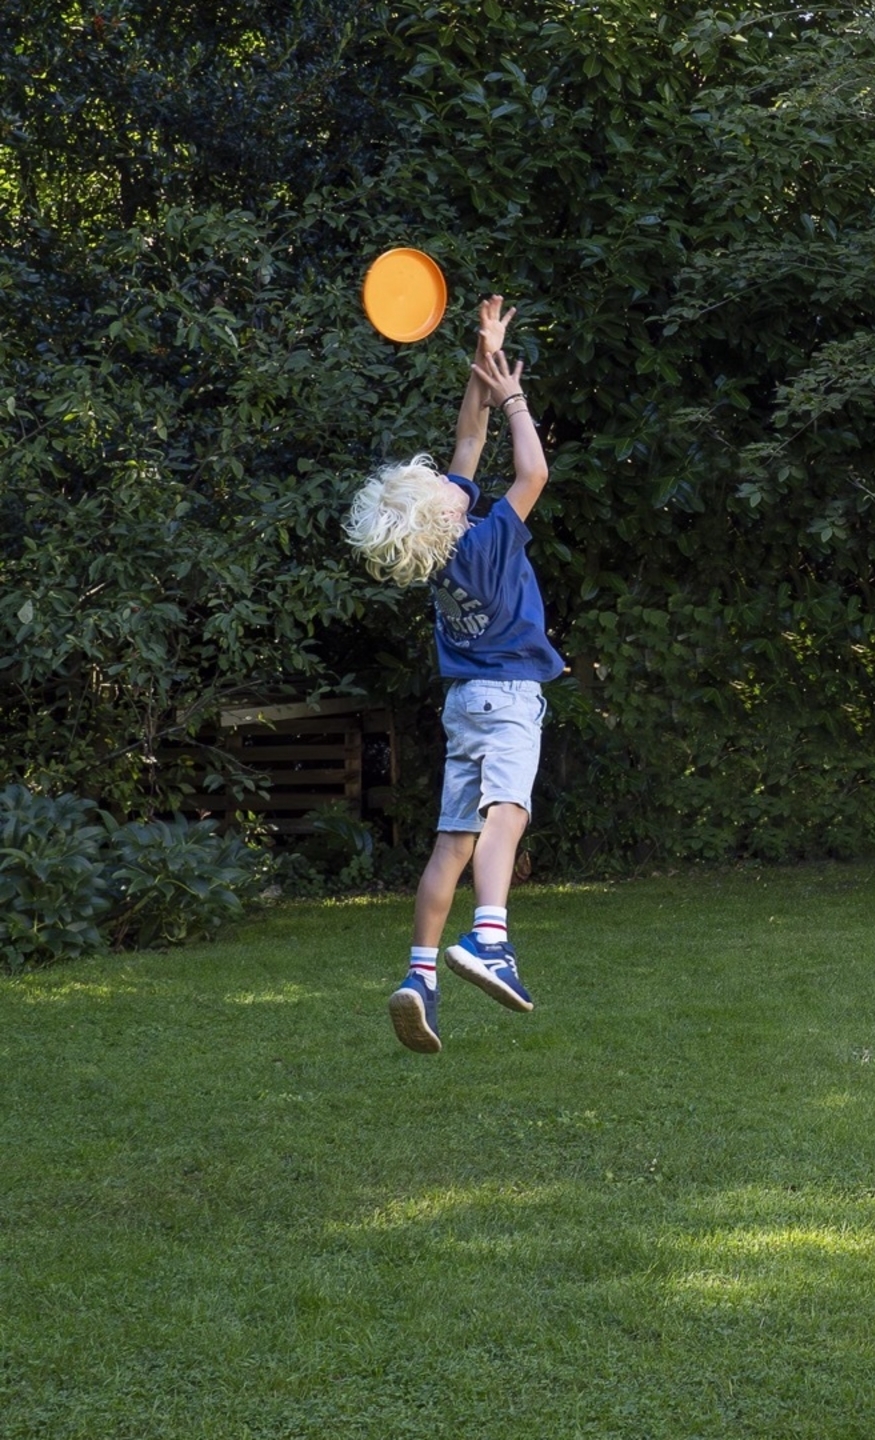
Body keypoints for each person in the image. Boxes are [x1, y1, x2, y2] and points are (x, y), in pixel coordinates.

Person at [343, 296, 562, 1054]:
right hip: (505, 700)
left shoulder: (443, 547)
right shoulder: (488, 542)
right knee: (509, 811)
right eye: (436, 483)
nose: (445, 475)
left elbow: (467, 440)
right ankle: (491, 937)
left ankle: (420, 975)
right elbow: (532, 468)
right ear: (443, 514)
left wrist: (483, 351)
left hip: (464, 703)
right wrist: (514, 397)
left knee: (452, 840)